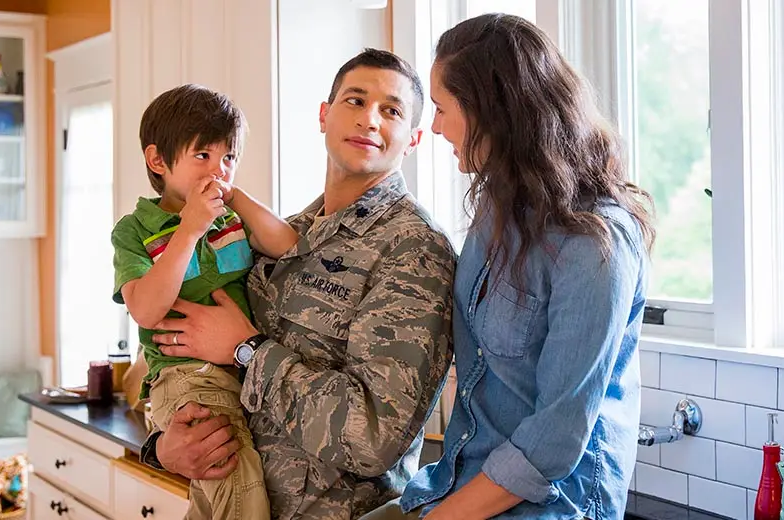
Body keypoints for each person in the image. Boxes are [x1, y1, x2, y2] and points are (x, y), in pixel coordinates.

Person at [137, 49, 457, 519]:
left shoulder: (413, 250)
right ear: (324, 117)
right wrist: (165, 447)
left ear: (411, 139)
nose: (369, 120)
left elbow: (373, 440)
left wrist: (247, 350)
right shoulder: (279, 234)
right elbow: (183, 354)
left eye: (391, 110)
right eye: (355, 100)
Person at [363, 13, 656, 520]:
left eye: (442, 109)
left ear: (492, 113)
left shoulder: (596, 246)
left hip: (551, 506)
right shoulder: (496, 211)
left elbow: (551, 445)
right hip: (461, 482)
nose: (433, 126)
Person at [112, 83, 298, 519]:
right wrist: (188, 229)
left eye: (228, 158)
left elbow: (287, 244)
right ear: (158, 160)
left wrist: (236, 197)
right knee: (237, 478)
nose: (219, 170)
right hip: (185, 376)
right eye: (203, 156)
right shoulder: (136, 229)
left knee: (211, 499)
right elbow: (145, 309)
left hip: (240, 374)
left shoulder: (229, 217)